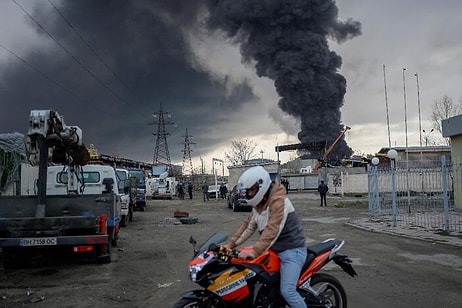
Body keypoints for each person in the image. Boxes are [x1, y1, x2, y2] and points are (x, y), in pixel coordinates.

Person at [225, 166, 307, 308]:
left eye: (251, 190)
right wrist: (230, 245)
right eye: (248, 191)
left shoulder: (279, 202)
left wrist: (254, 251)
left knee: (288, 291)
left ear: (261, 187)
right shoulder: (258, 205)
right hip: (273, 251)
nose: (249, 194)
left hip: (292, 251)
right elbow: (247, 227)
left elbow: (272, 230)